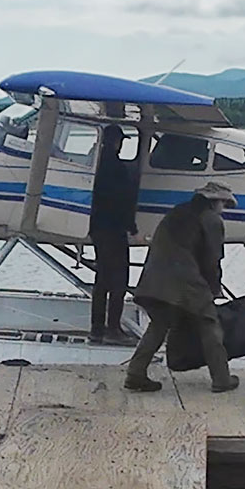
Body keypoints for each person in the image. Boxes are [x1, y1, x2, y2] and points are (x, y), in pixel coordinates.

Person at [124, 181, 238, 393]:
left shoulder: (178, 211)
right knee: (209, 323)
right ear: (217, 201)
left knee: (159, 324)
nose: (224, 208)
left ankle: (135, 373)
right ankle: (222, 379)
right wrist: (213, 289)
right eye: (224, 203)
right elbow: (212, 260)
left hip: (154, 277)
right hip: (185, 278)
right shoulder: (212, 219)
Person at [88, 125, 139, 343]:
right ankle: (113, 330)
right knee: (119, 281)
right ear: (116, 142)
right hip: (113, 229)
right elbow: (122, 200)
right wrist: (132, 227)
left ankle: (97, 329)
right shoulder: (116, 167)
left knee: (102, 280)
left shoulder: (96, 162)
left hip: (97, 228)